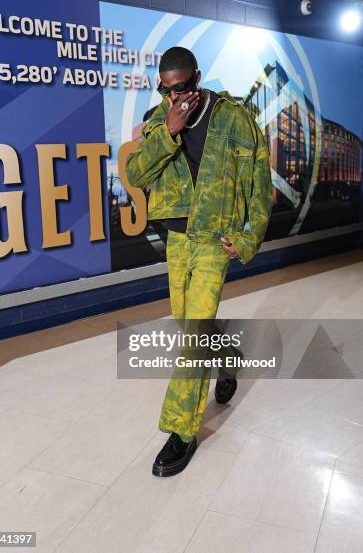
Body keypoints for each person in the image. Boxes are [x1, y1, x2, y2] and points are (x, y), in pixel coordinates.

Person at [126, 46, 273, 477]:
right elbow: (136, 175)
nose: (176, 98)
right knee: (187, 321)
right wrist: (169, 131)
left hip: (214, 240)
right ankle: (227, 355)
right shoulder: (159, 120)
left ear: (198, 78)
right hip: (177, 240)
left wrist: (247, 239)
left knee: (192, 337)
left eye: (184, 88)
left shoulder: (235, 117)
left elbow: (260, 184)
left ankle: (181, 432)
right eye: (166, 89)